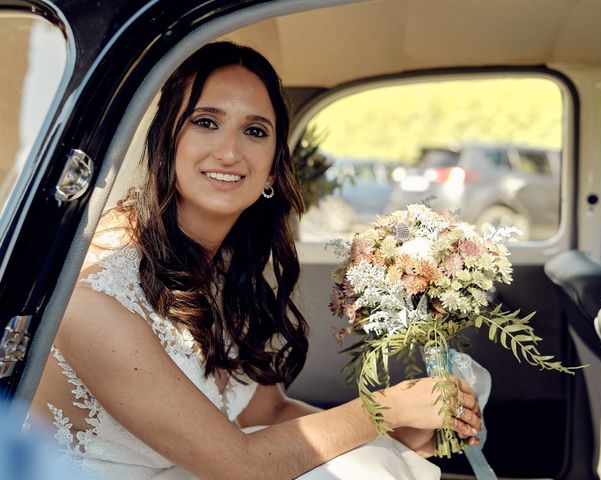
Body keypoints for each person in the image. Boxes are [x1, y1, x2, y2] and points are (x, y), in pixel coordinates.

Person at [29, 41, 482, 479]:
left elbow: (272, 411)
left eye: (254, 131)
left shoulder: (224, 270)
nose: (229, 152)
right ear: (165, 140)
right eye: (206, 122)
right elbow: (243, 466)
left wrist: (397, 434)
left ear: (270, 169)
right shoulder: (97, 292)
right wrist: (387, 408)